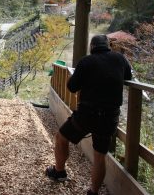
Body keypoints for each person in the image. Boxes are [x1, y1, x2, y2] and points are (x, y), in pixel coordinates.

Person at [45, 35, 132, 195]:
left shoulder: (87, 61)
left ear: (92, 47)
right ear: (108, 46)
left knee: (62, 137)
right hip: (110, 117)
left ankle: (59, 172)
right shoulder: (120, 59)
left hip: (87, 115)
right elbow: (128, 77)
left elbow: (71, 87)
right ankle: (93, 191)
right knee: (100, 155)